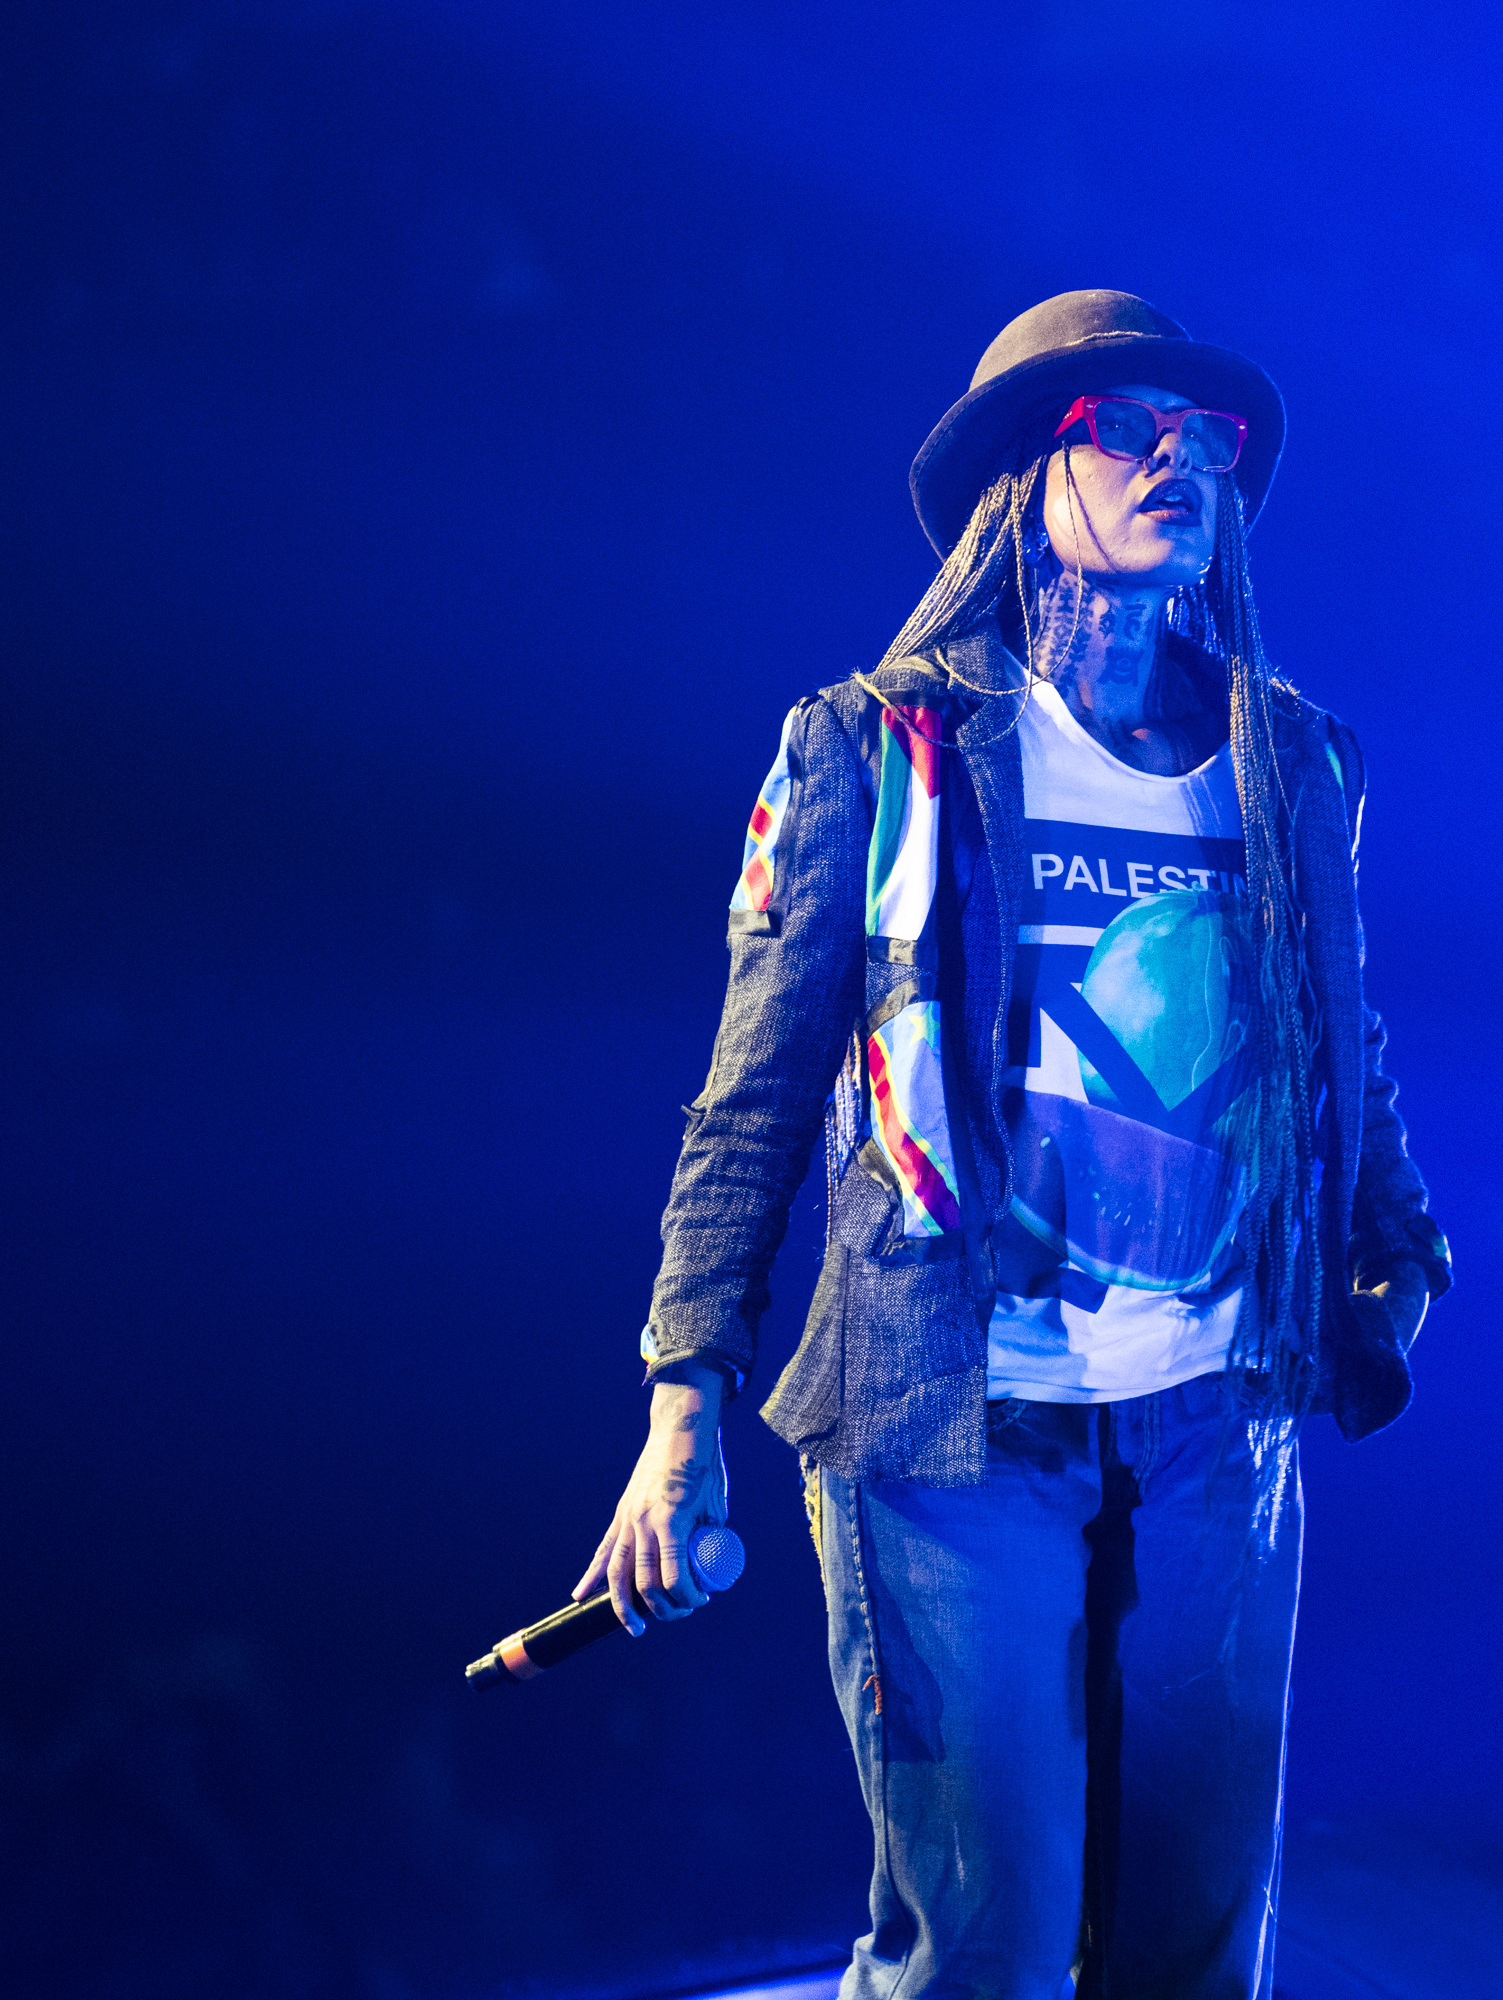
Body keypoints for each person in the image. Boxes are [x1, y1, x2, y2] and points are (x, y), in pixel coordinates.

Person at [569, 290, 1450, 1998]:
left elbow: (1344, 1044)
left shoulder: (1288, 758)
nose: (1178, 459)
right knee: (980, 1949)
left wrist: (1394, 1249)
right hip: (955, 1425)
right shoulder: (876, 749)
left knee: (1194, 1955)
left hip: (1216, 1422)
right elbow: (751, 1097)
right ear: (1019, 476)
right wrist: (683, 1405)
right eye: (1128, 428)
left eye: (1206, 439)